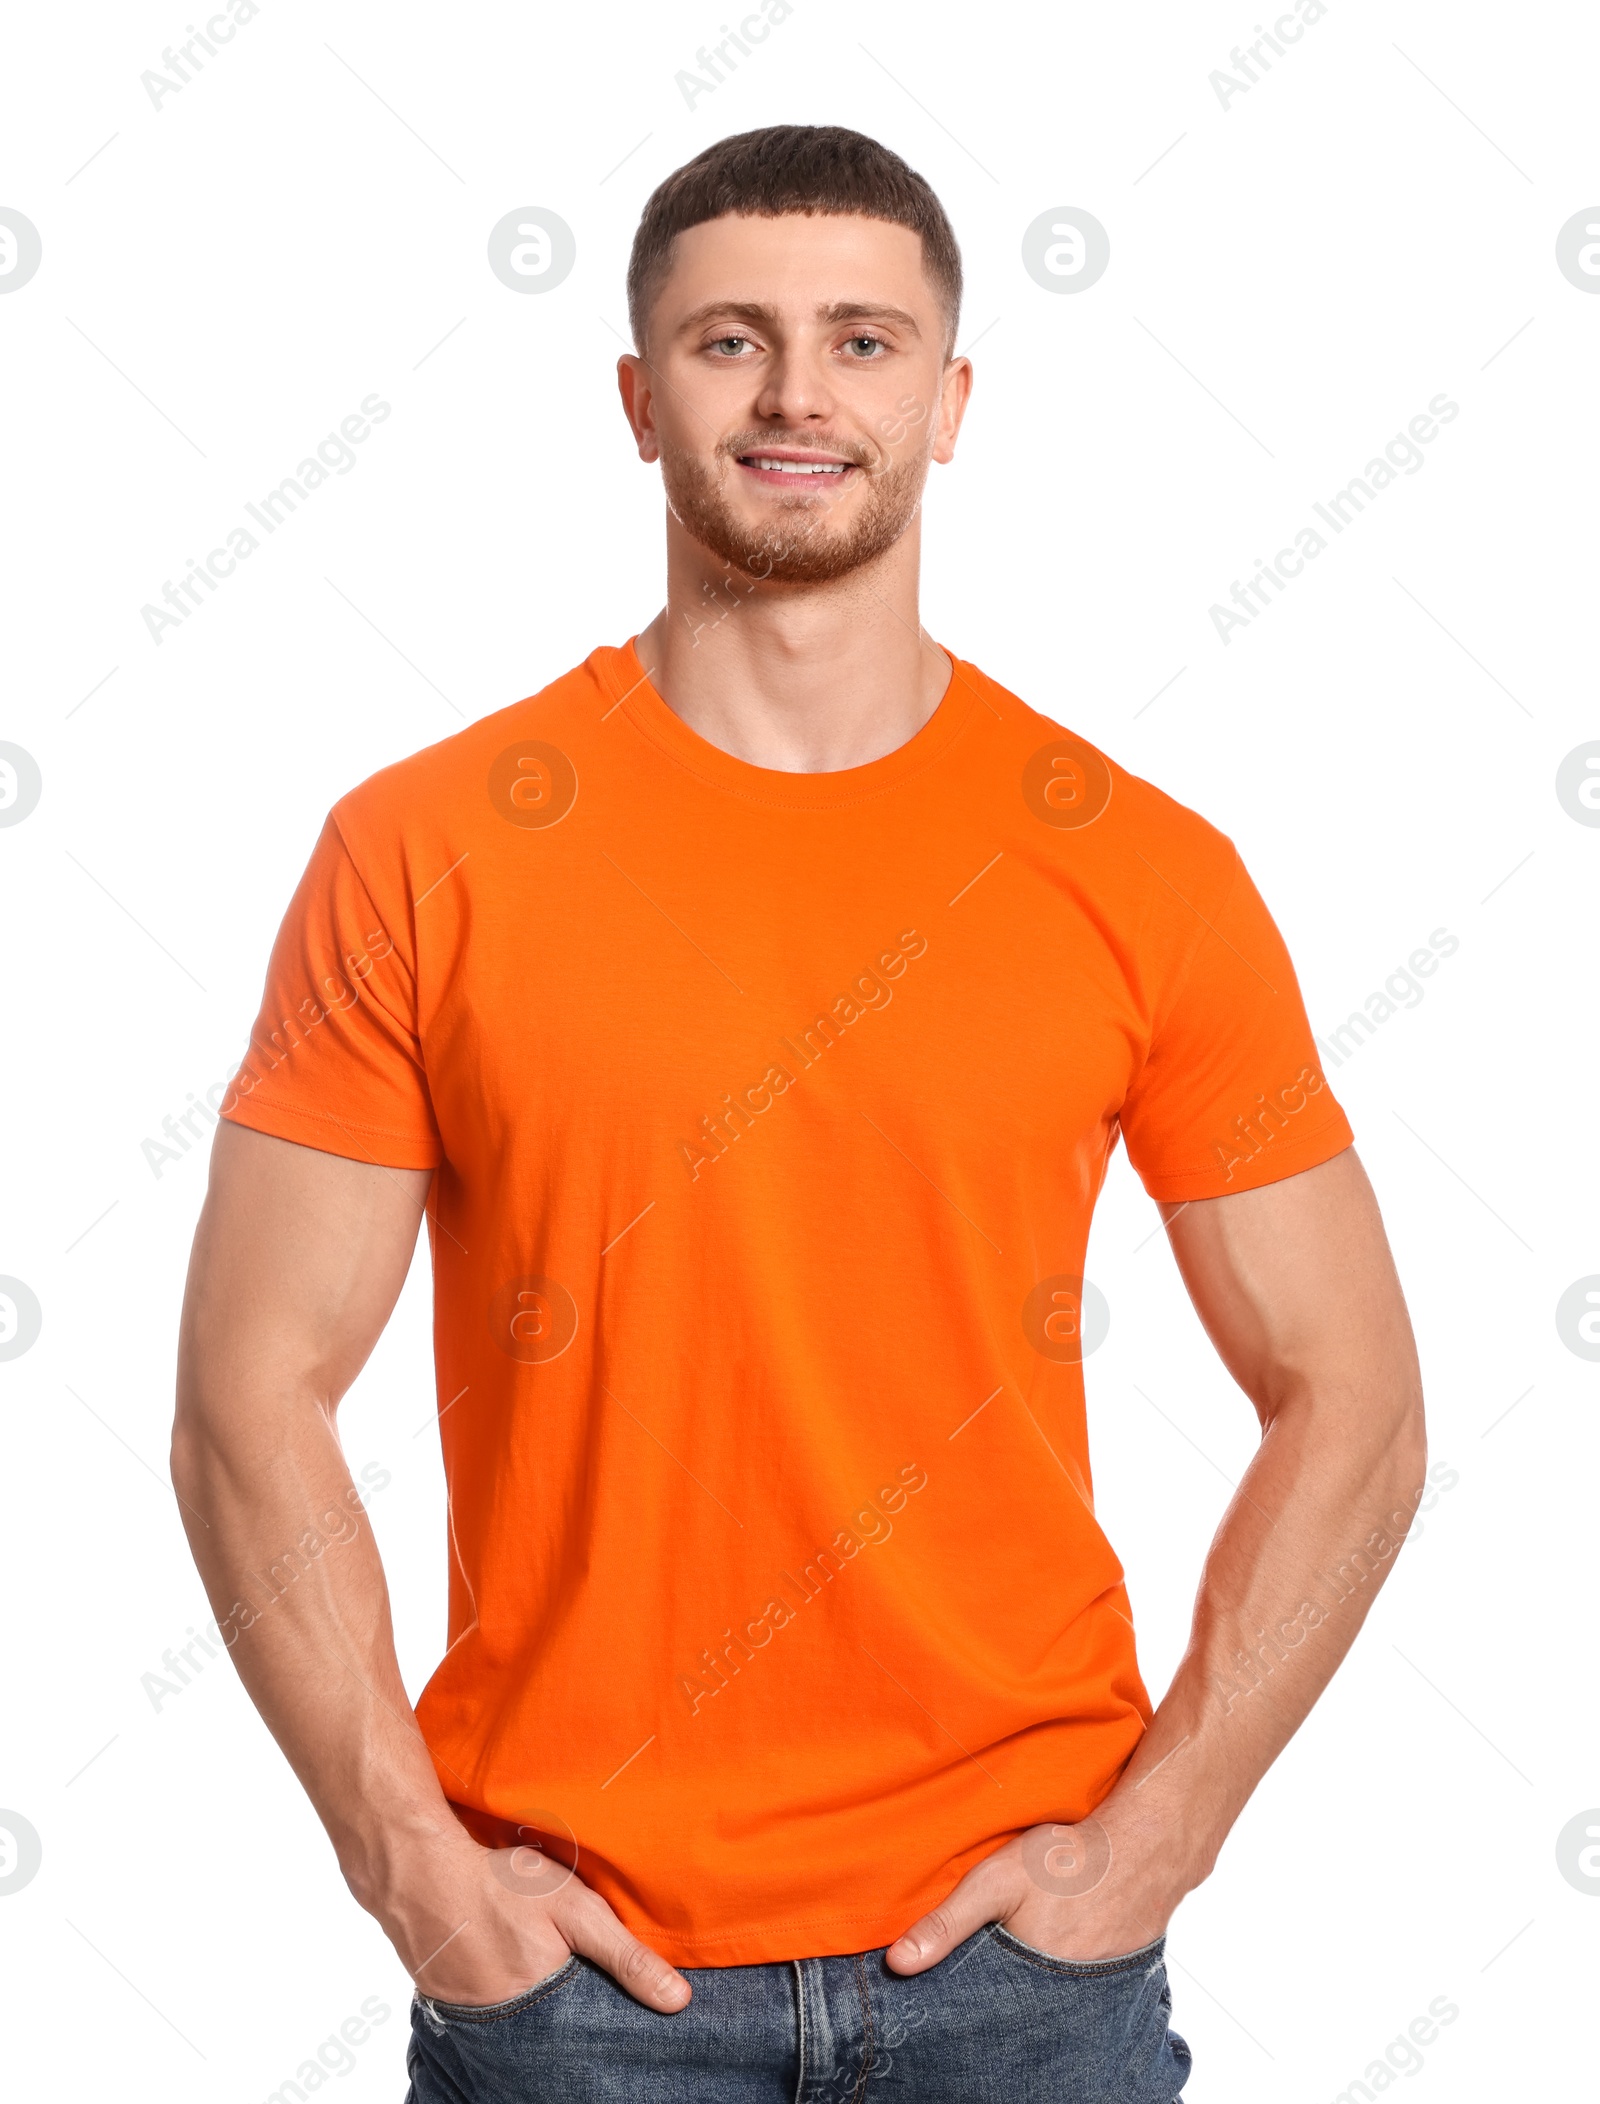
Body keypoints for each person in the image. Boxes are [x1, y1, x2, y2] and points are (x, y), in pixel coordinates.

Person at [172, 125, 1427, 2102]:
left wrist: (1164, 1827)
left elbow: (1347, 1383)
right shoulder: (422, 852)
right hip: (573, 1978)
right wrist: (417, 1870)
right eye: (726, 339)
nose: (791, 395)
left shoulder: (1137, 869)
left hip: (1022, 1973)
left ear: (946, 401)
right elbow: (250, 1389)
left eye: (858, 341)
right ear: (633, 395)